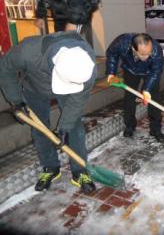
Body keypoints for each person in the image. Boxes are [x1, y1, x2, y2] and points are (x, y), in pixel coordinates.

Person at [0, 32, 97, 193]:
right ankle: (50, 167)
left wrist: (64, 127)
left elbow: (77, 101)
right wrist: (16, 101)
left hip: (70, 91)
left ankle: (80, 171)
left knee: (74, 128)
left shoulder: (86, 65)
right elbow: (4, 69)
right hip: (35, 87)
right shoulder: (28, 52)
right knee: (40, 128)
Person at [106, 33, 164, 142]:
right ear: (134, 49)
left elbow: (156, 72)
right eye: (143, 54)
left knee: (154, 99)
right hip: (131, 70)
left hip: (150, 72)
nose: (147, 56)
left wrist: (146, 90)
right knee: (129, 97)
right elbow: (112, 53)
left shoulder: (156, 50)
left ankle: (156, 129)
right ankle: (130, 125)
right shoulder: (122, 43)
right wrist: (111, 72)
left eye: (149, 53)